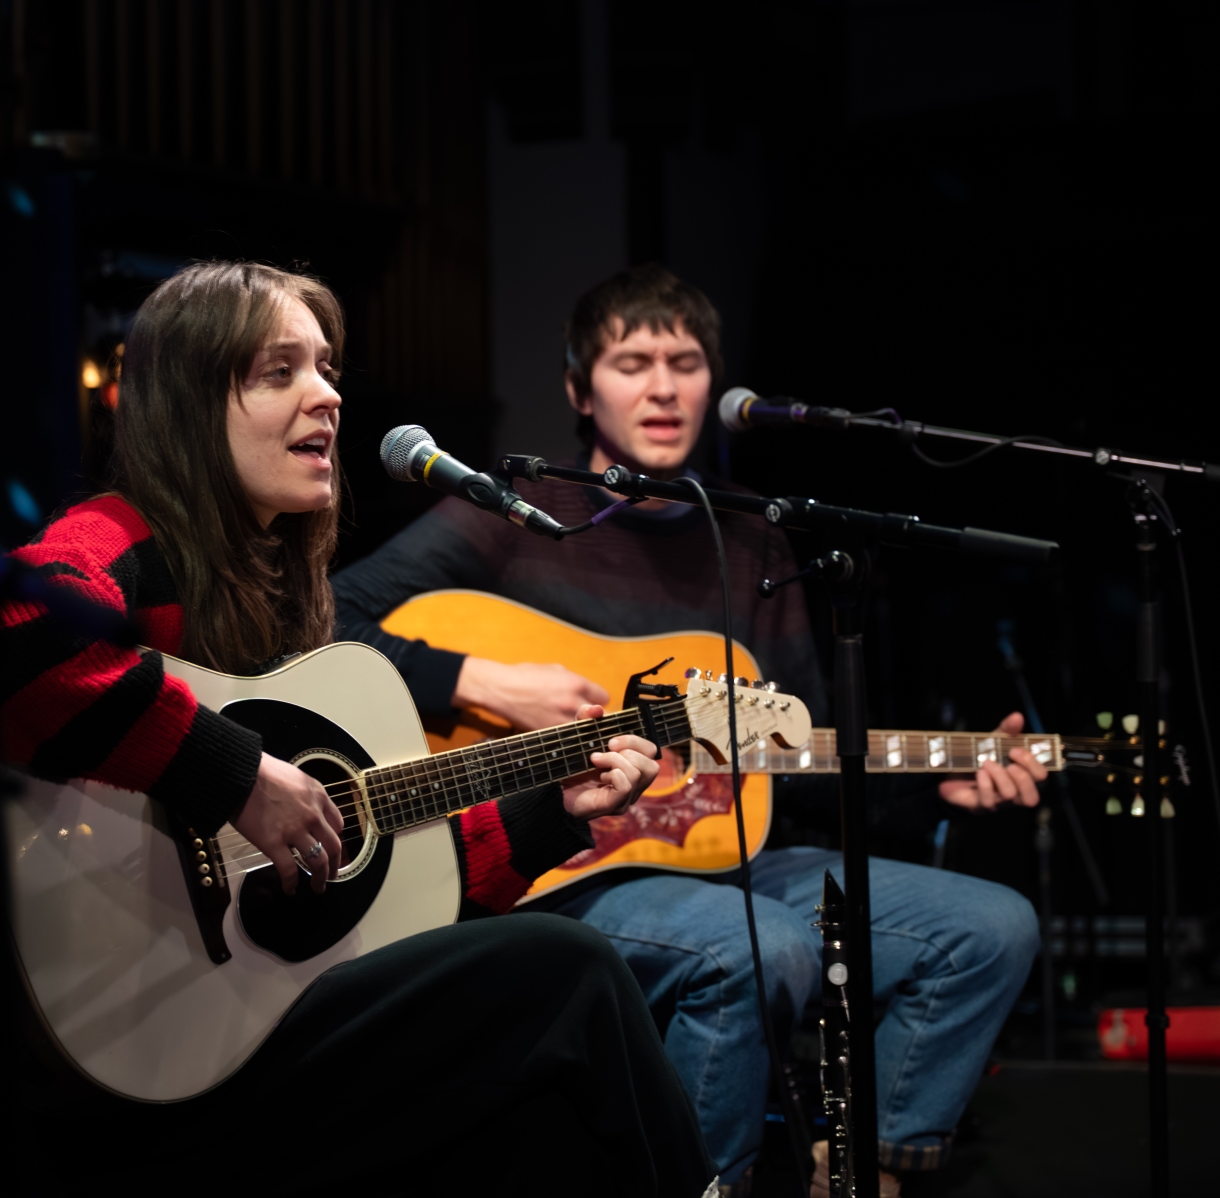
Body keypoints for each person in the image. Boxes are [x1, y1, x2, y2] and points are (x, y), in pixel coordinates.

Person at [0, 262, 719, 1196]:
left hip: (259, 1026)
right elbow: (11, 629)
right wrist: (236, 776)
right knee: (568, 968)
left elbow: (393, 895)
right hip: (138, 1064)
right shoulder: (124, 540)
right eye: (278, 370)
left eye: (326, 368)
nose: (326, 394)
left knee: (536, 1112)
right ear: (189, 400)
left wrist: (552, 815)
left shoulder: (293, 603)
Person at [332, 265, 1046, 1196]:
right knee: (759, 946)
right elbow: (325, 617)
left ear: (715, 384)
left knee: (991, 927)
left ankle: (861, 1175)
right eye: (632, 362)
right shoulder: (510, 519)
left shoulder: (754, 540)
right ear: (581, 391)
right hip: (549, 861)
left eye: (686, 361)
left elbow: (801, 747)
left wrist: (931, 780)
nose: (664, 386)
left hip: (715, 859)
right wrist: (479, 677)